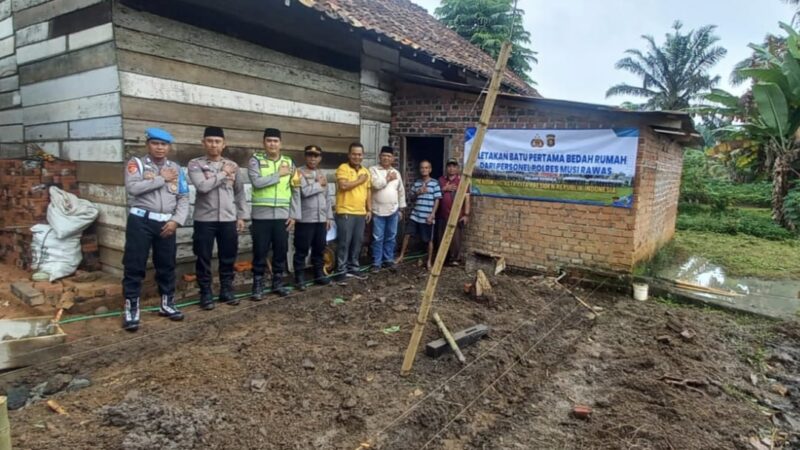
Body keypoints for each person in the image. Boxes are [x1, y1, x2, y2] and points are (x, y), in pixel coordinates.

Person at [121, 127, 189, 331]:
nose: (160, 148)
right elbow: (133, 188)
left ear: (169, 147)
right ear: (148, 144)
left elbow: (183, 197)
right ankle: (132, 308)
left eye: (164, 144)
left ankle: (167, 304)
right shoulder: (137, 164)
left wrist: (176, 220)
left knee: (166, 265)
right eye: (155, 143)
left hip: (166, 223)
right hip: (141, 221)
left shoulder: (176, 168)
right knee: (135, 265)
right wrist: (161, 179)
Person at [187, 126, 248, 310]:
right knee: (203, 256)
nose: (214, 145)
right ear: (203, 143)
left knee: (228, 256)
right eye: (210, 141)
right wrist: (223, 173)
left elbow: (239, 193)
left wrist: (242, 216)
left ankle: (226, 290)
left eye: (217, 141)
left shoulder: (233, 166)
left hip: (228, 219)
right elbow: (203, 186)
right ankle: (205, 293)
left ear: (224, 144)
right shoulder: (195, 164)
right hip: (205, 219)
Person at [249, 128, 300, 299]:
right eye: (269, 140)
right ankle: (257, 285)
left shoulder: (289, 162)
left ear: (281, 144)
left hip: (282, 215)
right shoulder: (255, 160)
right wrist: (278, 174)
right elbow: (256, 182)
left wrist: (294, 215)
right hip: (261, 216)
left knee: (281, 250)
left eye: (275, 141)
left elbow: (295, 189)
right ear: (264, 143)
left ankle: (277, 282)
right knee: (260, 251)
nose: (272, 144)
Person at [291, 145, 333, 290]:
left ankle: (319, 274)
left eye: (316, 156)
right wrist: (318, 184)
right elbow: (303, 192)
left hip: (321, 219)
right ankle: (299, 278)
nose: (313, 158)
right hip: (305, 219)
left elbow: (327, 197)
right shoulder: (298, 173)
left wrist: (329, 217)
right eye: (310, 155)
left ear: (320, 158)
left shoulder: (322, 173)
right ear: (305, 156)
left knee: (319, 249)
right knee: (301, 250)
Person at [334, 143, 372, 281]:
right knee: (344, 242)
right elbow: (343, 185)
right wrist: (359, 180)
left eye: (359, 154)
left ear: (363, 156)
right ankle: (341, 271)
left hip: (360, 213)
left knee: (357, 242)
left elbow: (368, 191)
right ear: (349, 155)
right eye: (354, 154)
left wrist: (369, 209)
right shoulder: (343, 168)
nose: (357, 157)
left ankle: (354, 268)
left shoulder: (366, 171)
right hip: (345, 211)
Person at [397, 160, 441, 270]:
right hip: (416, 214)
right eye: (422, 168)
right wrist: (418, 192)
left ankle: (429, 261)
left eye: (426, 168)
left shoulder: (435, 183)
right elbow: (411, 197)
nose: (424, 170)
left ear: (430, 169)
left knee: (429, 240)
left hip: (427, 216)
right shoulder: (417, 183)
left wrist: (432, 214)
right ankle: (401, 256)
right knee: (407, 234)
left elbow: (437, 200)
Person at [369, 146, 405, 271]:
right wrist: (388, 178)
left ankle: (388, 260)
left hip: (393, 210)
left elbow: (401, 191)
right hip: (378, 210)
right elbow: (375, 185)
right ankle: (376, 262)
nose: (386, 158)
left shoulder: (397, 173)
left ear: (392, 158)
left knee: (391, 236)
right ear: (380, 156)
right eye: (384, 155)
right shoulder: (373, 170)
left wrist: (401, 209)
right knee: (377, 237)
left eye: (389, 156)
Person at [436, 158, 470, 266]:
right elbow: (435, 194)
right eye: (449, 166)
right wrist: (444, 189)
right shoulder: (441, 180)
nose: (451, 168)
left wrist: (466, 214)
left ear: (457, 168)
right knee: (441, 237)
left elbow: (467, 198)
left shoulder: (462, 181)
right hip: (442, 214)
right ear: (446, 168)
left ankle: (455, 259)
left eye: (454, 166)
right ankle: (443, 259)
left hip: (456, 215)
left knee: (455, 239)